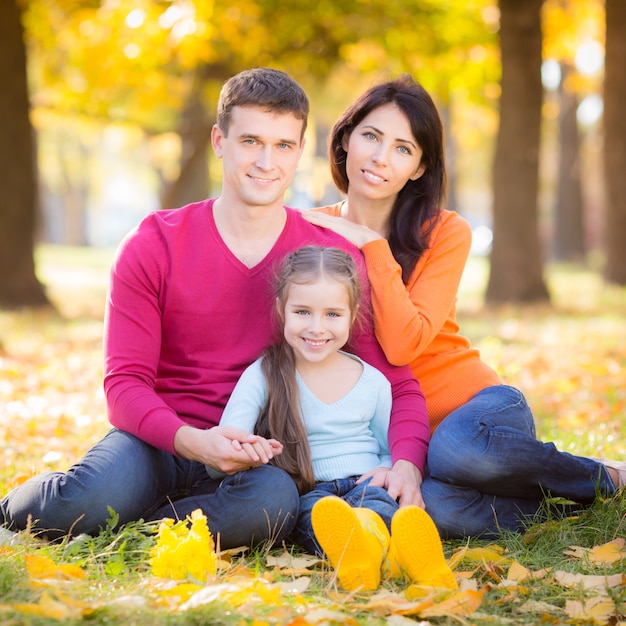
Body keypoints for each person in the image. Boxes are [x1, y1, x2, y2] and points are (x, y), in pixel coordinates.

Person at [0, 68, 428, 549]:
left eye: (284, 145)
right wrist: (192, 441)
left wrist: (406, 463)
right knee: (78, 505)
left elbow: (397, 383)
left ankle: (146, 527)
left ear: (301, 151)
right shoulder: (153, 243)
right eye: (250, 141)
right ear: (219, 140)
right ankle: (23, 506)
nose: (267, 162)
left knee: (270, 506)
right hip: (159, 440)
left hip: (259, 458)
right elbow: (123, 386)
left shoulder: (329, 261)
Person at [303, 74, 626, 539]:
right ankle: (560, 515)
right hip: (405, 441)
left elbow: (403, 344)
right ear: (346, 140)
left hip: (479, 414)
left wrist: (373, 245)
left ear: (418, 168)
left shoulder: (445, 231)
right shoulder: (308, 235)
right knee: (434, 510)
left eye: (403, 148)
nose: (379, 157)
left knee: (457, 451)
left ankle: (603, 478)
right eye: (371, 136)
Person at [210, 245, 456, 591]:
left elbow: (387, 444)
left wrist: (387, 469)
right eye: (302, 311)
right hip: (310, 490)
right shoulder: (265, 373)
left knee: (379, 511)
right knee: (316, 521)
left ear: (354, 315)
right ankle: (371, 553)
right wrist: (250, 448)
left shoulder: (372, 381)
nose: (316, 328)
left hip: (365, 482)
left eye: (332, 315)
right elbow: (232, 433)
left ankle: (394, 550)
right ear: (281, 310)